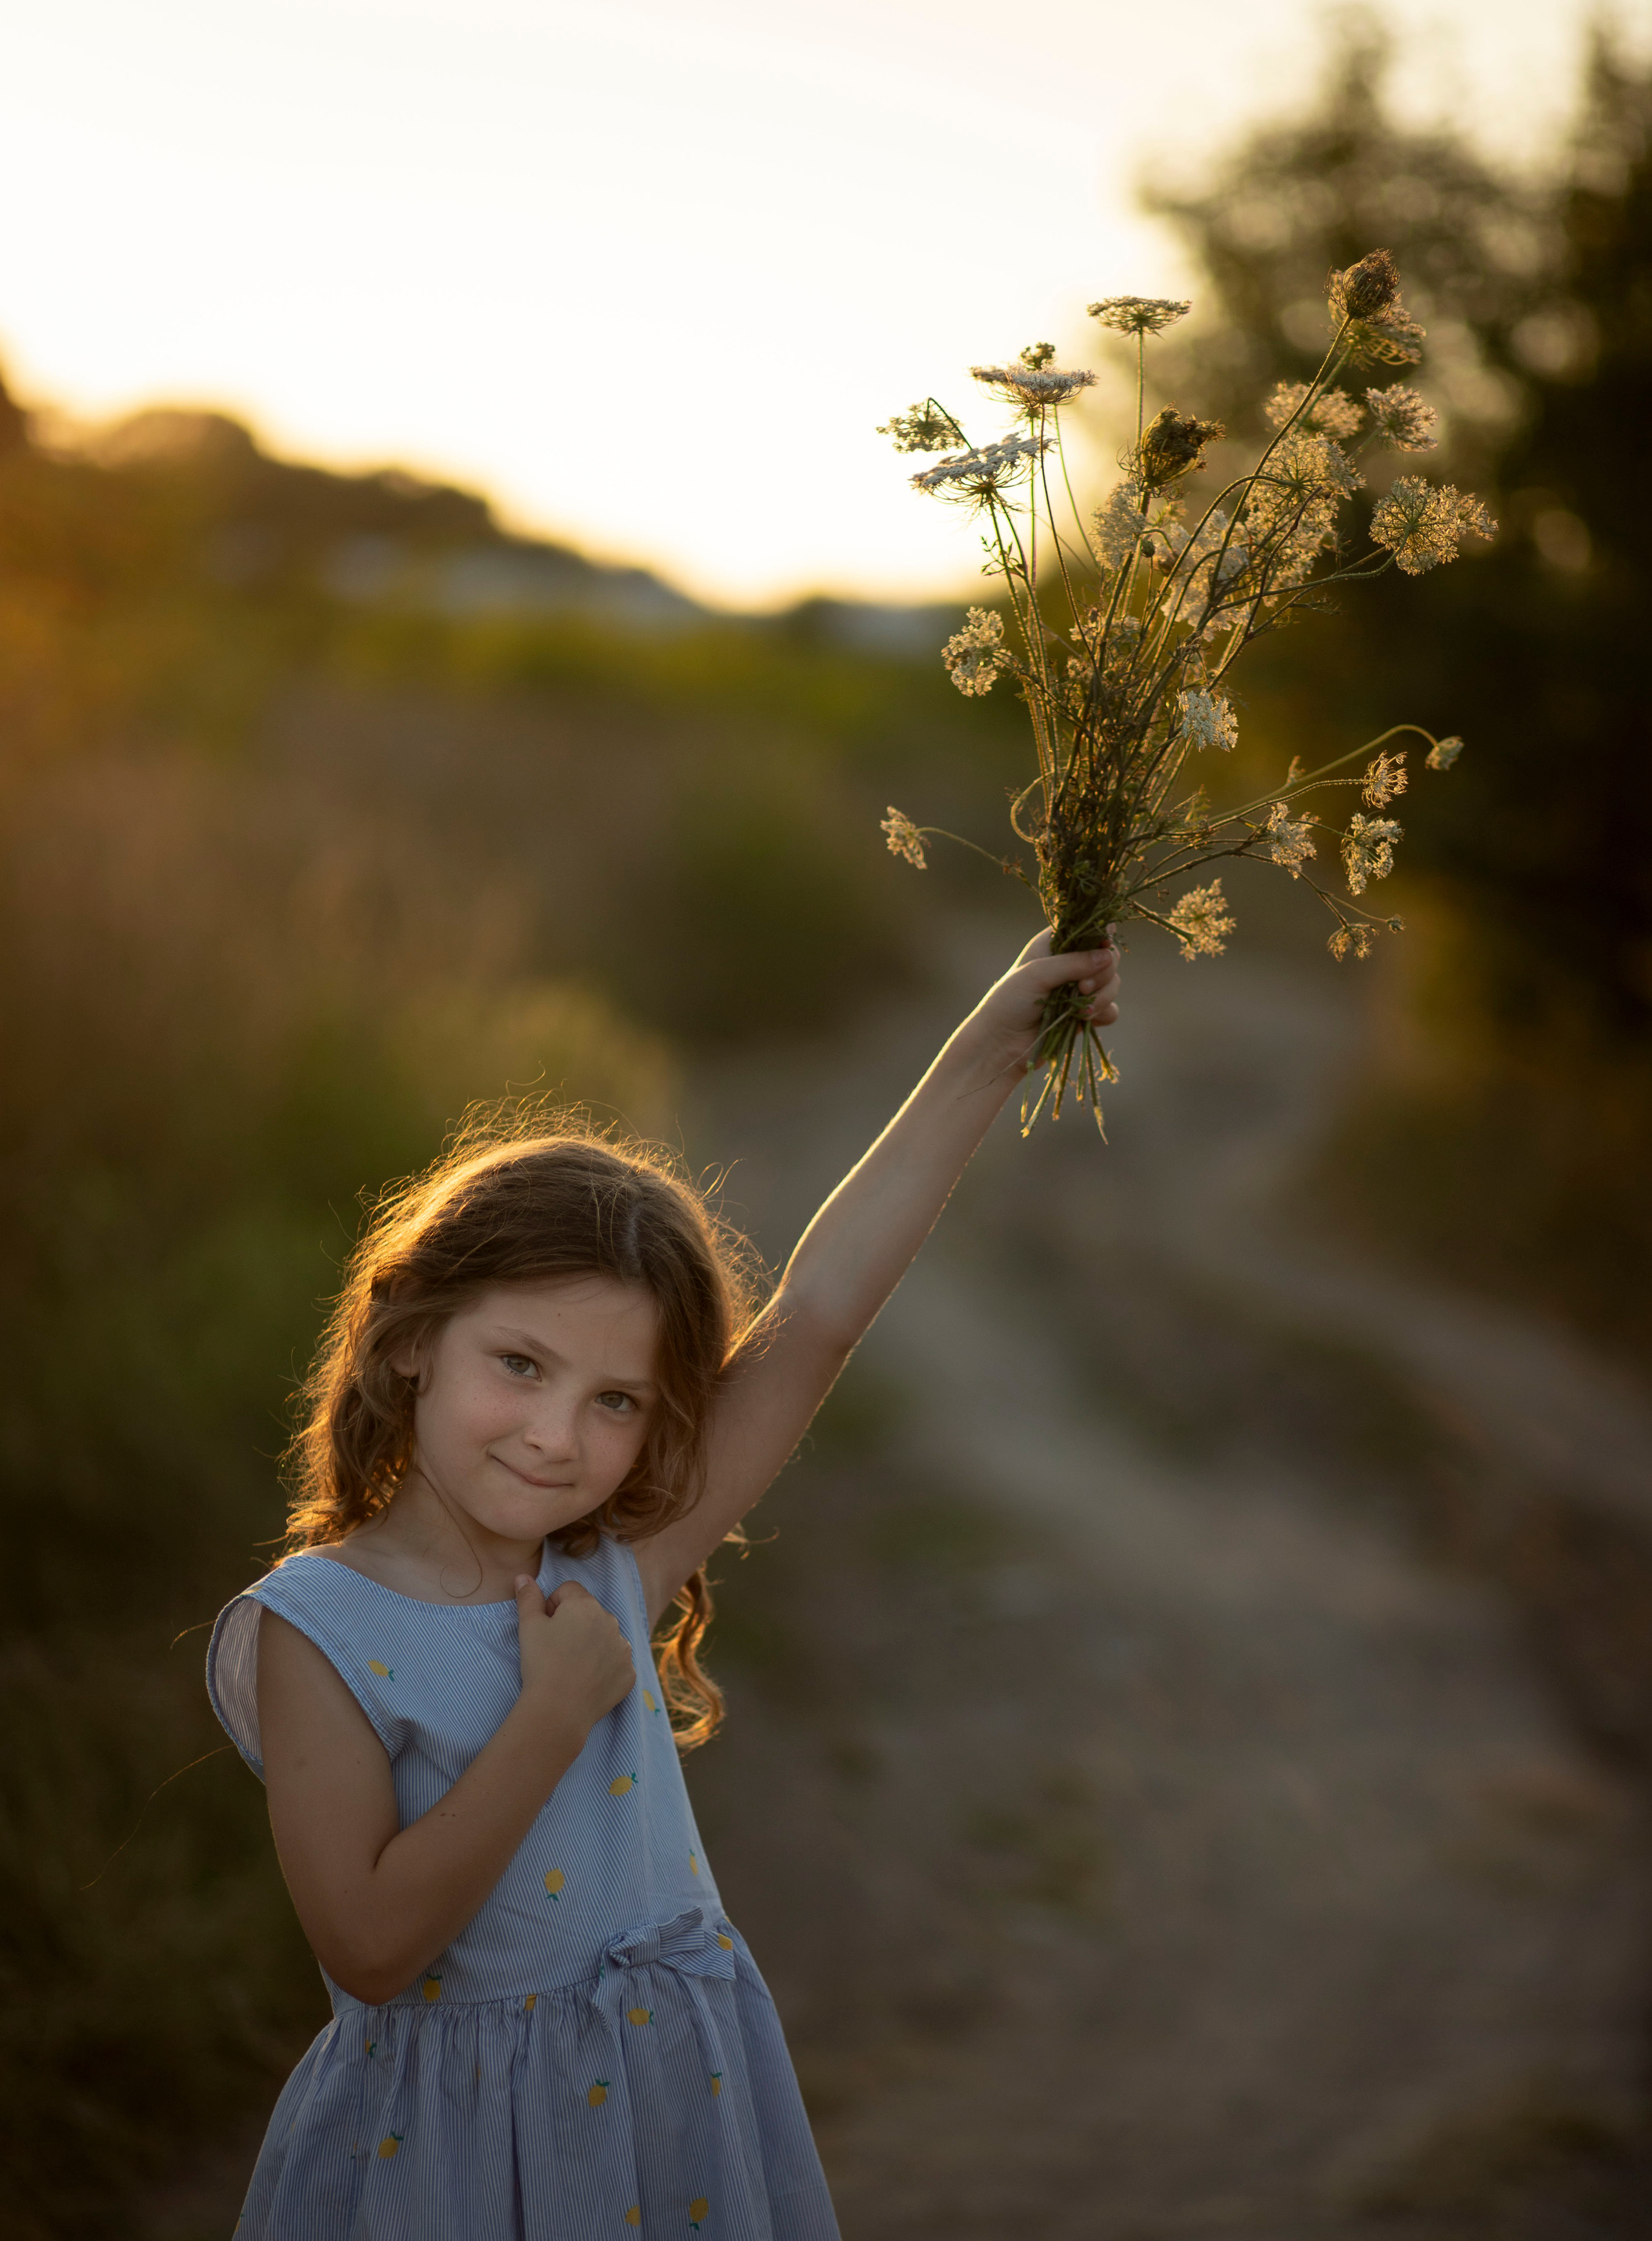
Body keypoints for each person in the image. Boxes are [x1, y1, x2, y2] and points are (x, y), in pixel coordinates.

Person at [206, 930, 1122, 2239]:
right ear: (410, 1341)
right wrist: (551, 1717)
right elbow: (367, 1945)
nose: (554, 1436)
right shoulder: (319, 1628)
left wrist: (990, 1043)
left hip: (666, 2117)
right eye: (518, 1365)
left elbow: (821, 1307)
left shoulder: (613, 1571)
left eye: (613, 1400)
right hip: (448, 2165)